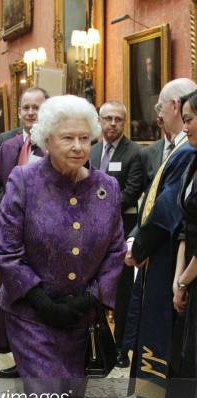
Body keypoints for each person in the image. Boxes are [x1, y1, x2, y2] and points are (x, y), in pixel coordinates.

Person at [0, 95, 125, 398]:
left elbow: (114, 252)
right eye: (66, 137)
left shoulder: (107, 187)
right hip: (32, 314)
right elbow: (5, 247)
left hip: (81, 317)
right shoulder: (24, 180)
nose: (76, 146)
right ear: (46, 139)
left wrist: (93, 296)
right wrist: (37, 297)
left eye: (83, 138)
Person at [125, 78, 197, 398]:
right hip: (175, 262)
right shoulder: (178, 149)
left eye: (186, 115)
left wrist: (140, 248)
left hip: (173, 264)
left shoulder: (185, 151)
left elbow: (170, 210)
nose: (174, 120)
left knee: (171, 345)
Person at [154, 90, 197, 398]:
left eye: (189, 117)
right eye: (181, 117)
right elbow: (188, 225)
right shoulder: (193, 160)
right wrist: (179, 277)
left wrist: (184, 278)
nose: (184, 126)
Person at [0, 87, 47, 379]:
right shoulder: (9, 146)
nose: (30, 112)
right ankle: (17, 356)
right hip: (10, 238)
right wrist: (11, 216)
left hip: (42, 238)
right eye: (26, 107)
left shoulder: (53, 146)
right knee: (10, 296)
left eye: (37, 107)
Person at [90, 101, 143, 367]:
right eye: (108, 118)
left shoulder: (135, 153)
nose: (112, 123)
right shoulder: (92, 150)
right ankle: (92, 343)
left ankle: (121, 348)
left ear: (124, 122)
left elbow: (131, 192)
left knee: (121, 289)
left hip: (121, 228)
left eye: (118, 119)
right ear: (99, 120)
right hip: (89, 231)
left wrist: (100, 211)